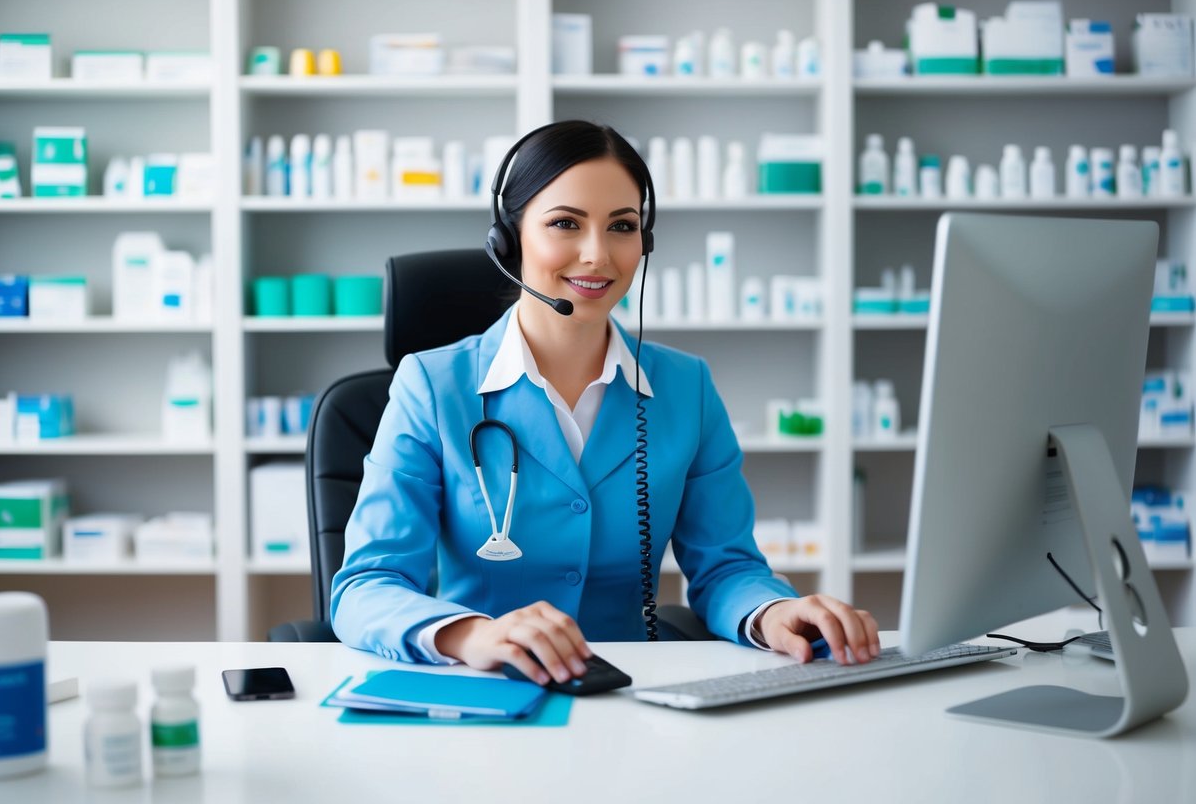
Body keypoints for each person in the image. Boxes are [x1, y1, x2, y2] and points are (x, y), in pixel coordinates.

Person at [331, 120, 879, 687]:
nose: (597, 255)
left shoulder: (686, 386)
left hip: (636, 693)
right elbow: (366, 587)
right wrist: (471, 635)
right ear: (511, 238)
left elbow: (726, 565)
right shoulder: (431, 384)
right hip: (490, 691)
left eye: (622, 226)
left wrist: (771, 612)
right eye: (565, 223)